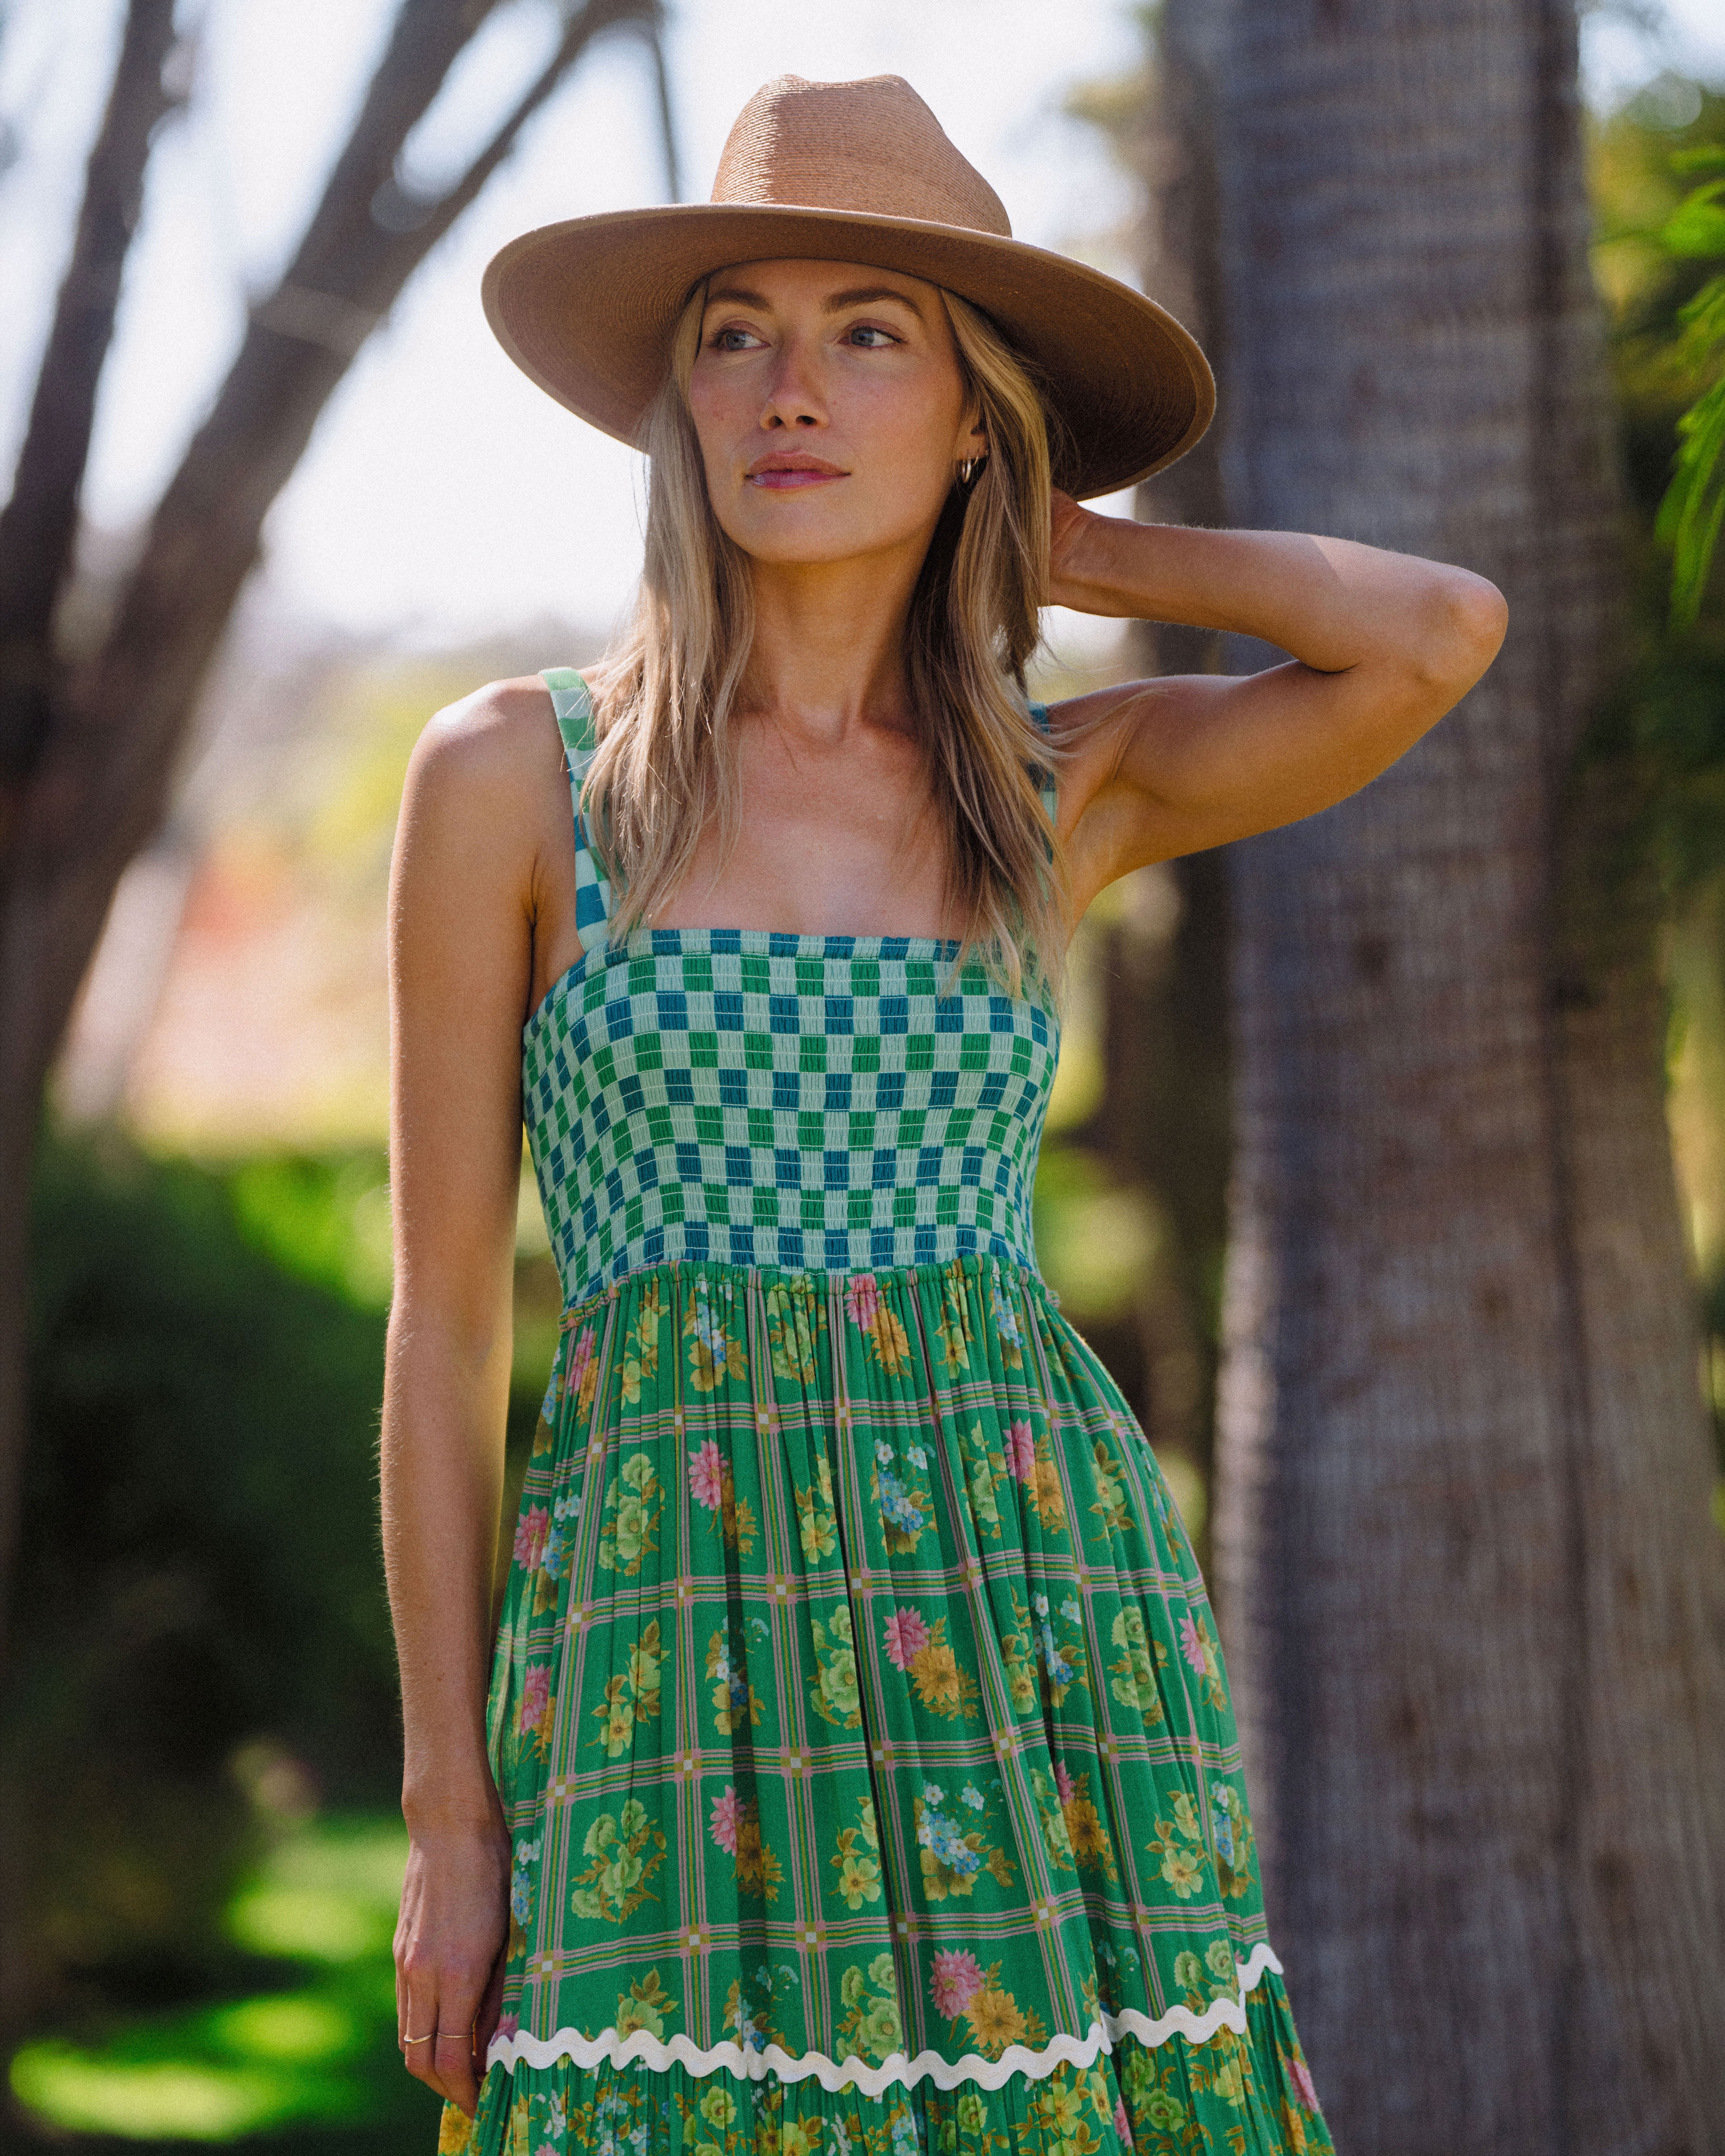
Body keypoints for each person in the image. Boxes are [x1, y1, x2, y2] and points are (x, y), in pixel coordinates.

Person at [380, 73, 1505, 2156]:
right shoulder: (517, 781)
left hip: (1027, 1613)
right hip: (663, 1621)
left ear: (973, 407)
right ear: (680, 402)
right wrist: (449, 1803)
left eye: (870, 336)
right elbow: (446, 1325)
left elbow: (1436, 635)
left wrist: (1071, 538)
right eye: (736, 333)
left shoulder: (1053, 784)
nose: (786, 390)